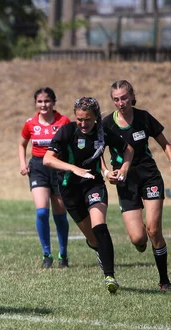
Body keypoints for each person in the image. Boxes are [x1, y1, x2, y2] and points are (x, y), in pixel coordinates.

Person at [44, 97, 133, 293]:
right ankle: (97, 248)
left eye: (88, 120)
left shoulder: (103, 133)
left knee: (100, 227)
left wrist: (123, 169)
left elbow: (128, 150)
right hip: (69, 188)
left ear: (96, 118)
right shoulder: (67, 131)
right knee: (93, 239)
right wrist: (73, 168)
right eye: (79, 119)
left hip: (93, 184)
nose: (83, 124)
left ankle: (110, 276)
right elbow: (48, 159)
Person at [102, 80, 171, 292]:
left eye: (124, 98)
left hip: (149, 176)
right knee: (138, 238)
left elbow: (164, 144)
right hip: (125, 182)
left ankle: (164, 281)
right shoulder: (106, 124)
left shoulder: (143, 118)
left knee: (153, 229)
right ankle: (142, 242)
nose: (120, 103)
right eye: (116, 99)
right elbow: (96, 154)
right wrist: (106, 172)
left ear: (132, 96)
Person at [18, 88, 71, 268]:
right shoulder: (30, 123)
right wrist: (23, 164)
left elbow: (71, 145)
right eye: (40, 101)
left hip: (57, 167)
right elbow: (22, 143)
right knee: (41, 211)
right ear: (35, 103)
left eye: (47, 101)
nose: (43, 105)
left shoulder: (63, 122)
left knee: (59, 213)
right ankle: (46, 254)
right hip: (38, 167)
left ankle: (63, 254)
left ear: (53, 102)